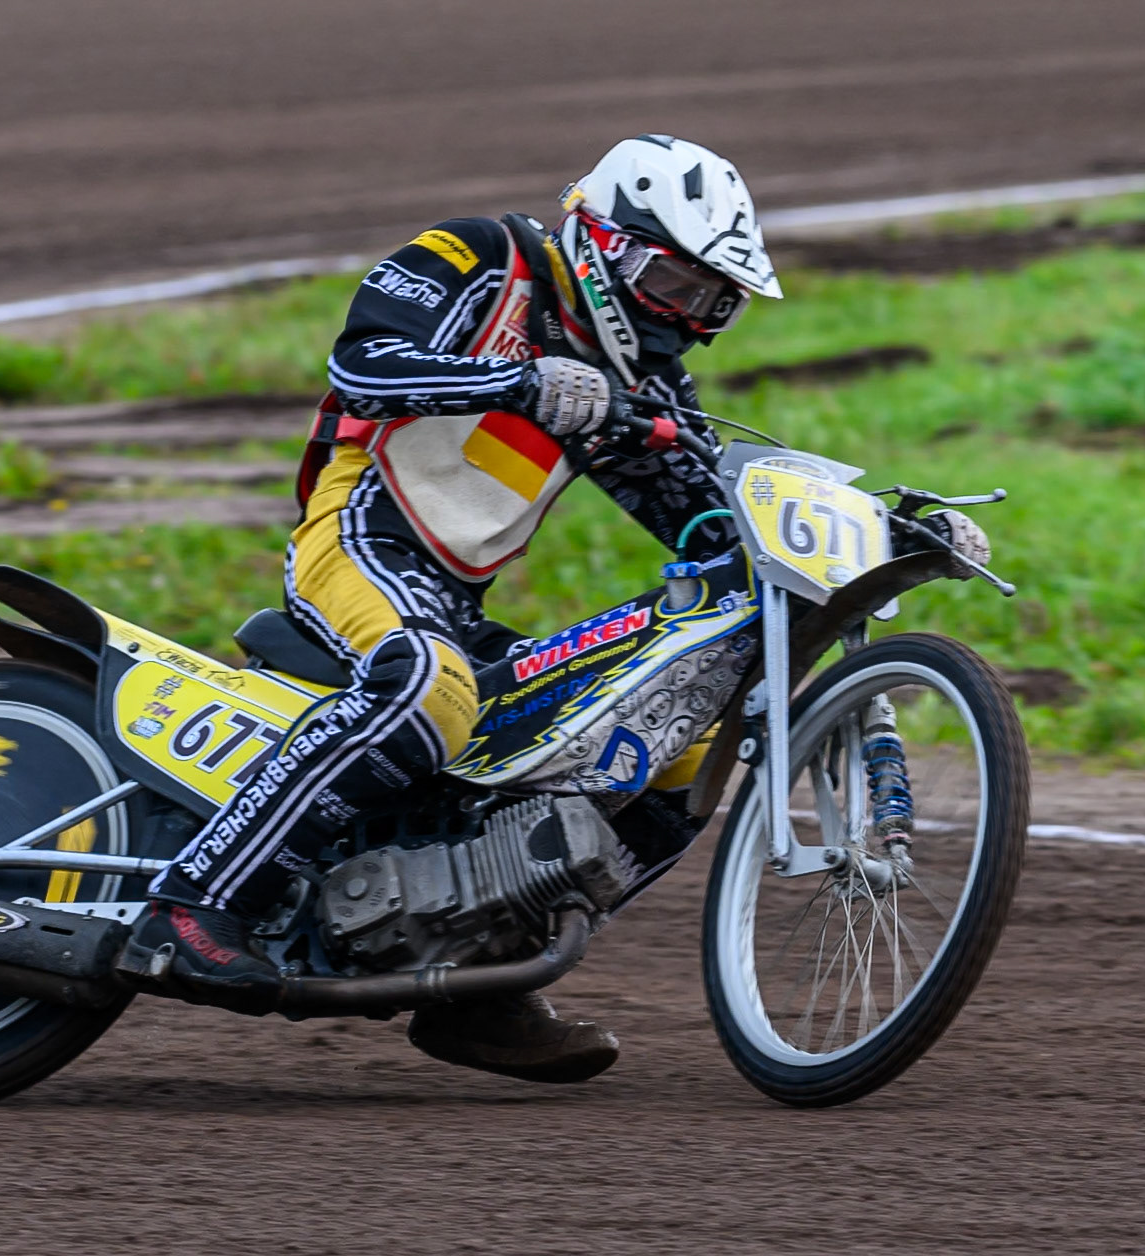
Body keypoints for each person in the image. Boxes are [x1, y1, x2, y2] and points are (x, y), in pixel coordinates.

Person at [129, 135, 783, 1082]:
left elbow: (703, 520)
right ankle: (192, 904)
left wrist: (870, 538)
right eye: (671, 283)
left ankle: (479, 977)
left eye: (711, 302)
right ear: (602, 237)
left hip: (454, 600)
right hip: (356, 539)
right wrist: (519, 384)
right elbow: (363, 367)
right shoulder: (478, 256)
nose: (683, 316)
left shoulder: (639, 380)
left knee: (671, 744)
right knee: (432, 691)